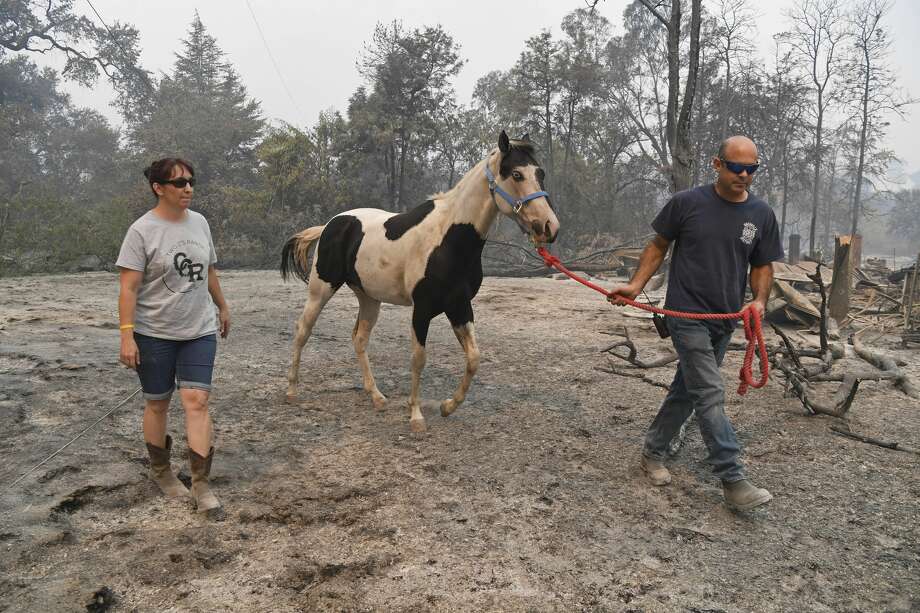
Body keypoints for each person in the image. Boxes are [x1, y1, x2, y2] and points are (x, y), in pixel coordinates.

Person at [608, 136, 783, 511]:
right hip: (686, 315)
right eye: (737, 167)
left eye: (752, 169)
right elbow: (658, 245)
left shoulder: (762, 215)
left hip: (726, 318)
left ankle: (652, 452)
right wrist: (636, 286)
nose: (745, 175)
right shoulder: (686, 204)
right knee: (708, 392)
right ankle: (733, 479)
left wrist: (760, 301)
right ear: (716, 164)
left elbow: (763, 264)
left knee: (687, 391)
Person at [117, 158, 230, 520]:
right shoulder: (141, 231)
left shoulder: (200, 223)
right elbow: (129, 287)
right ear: (158, 187)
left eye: (191, 182)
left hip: (199, 329)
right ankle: (163, 472)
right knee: (158, 404)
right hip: (154, 333)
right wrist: (126, 336)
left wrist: (223, 306)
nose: (188, 189)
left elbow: (208, 270)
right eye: (179, 183)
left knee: (197, 400)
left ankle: (201, 483)